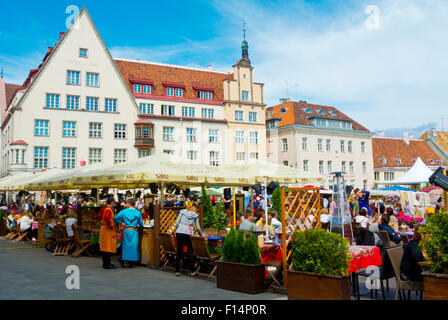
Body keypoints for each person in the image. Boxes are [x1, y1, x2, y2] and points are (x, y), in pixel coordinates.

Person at [174, 201, 203, 276]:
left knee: (179, 251)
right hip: (188, 232)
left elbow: (177, 222)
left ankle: (177, 270)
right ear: (194, 207)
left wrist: (175, 230)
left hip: (179, 231)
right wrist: (201, 234)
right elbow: (198, 227)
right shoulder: (195, 215)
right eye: (195, 208)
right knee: (190, 251)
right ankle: (192, 270)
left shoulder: (182, 212)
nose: (195, 209)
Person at [113, 199, 143, 268]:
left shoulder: (124, 211)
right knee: (133, 246)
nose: (126, 204)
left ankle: (123, 260)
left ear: (129, 203)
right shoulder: (138, 212)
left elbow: (115, 218)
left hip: (126, 231)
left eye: (126, 203)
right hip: (134, 231)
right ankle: (131, 262)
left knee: (126, 247)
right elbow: (141, 223)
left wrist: (121, 223)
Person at [98, 198, 118, 269]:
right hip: (107, 229)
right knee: (108, 247)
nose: (114, 204)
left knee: (104, 247)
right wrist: (111, 224)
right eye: (114, 203)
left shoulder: (103, 208)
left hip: (103, 229)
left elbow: (99, 217)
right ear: (112, 203)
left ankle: (105, 263)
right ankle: (108, 264)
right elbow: (106, 217)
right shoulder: (108, 210)